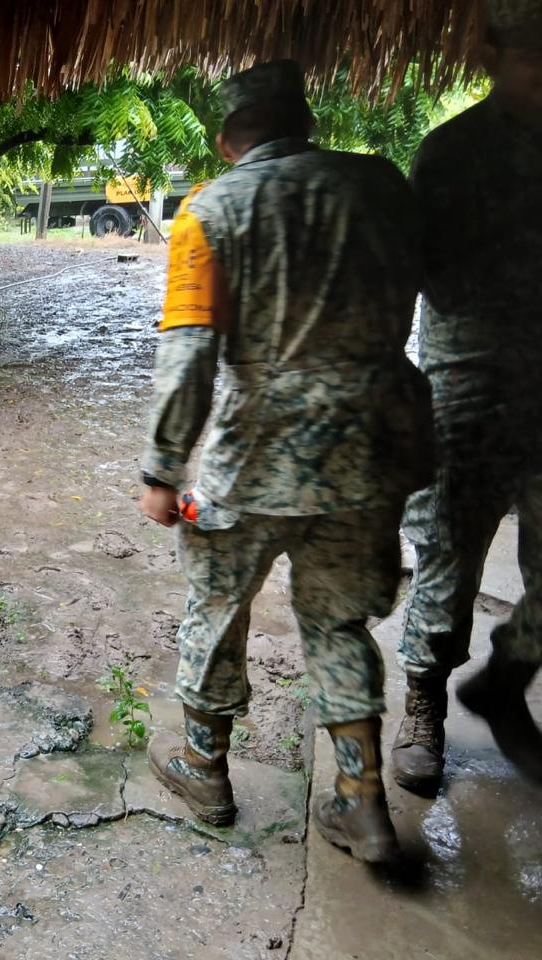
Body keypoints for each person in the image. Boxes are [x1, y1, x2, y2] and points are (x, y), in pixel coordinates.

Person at [139, 61, 432, 863]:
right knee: (340, 619)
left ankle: (205, 771)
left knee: (218, 605)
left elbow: (190, 352)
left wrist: (163, 468)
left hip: (258, 447)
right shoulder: (380, 185)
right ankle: (362, 801)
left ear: (226, 134)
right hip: (372, 445)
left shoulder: (211, 209)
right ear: (302, 119)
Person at [393, 0, 542, 790]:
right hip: (470, 383)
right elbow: (425, 275)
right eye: (532, 59)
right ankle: (423, 705)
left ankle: (505, 681)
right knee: (450, 552)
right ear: (498, 59)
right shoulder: (452, 152)